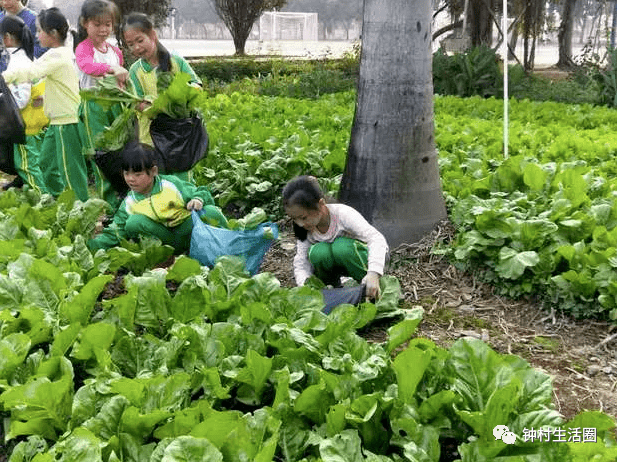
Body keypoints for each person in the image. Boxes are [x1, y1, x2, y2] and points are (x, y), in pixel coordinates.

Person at [2, 7, 89, 202]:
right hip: (55, 121)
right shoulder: (59, 54)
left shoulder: (57, 55)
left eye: (40, 30)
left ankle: (82, 208)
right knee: (46, 164)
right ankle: (60, 200)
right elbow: (61, 83)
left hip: (67, 121)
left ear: (53, 34)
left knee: (70, 170)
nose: (36, 35)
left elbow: (30, 73)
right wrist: (46, 98)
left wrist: (4, 77)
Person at [88, 141, 227, 254]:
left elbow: (201, 192)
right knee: (132, 223)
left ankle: (227, 242)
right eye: (126, 173)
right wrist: (91, 246)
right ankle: (164, 257)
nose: (130, 179)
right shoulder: (129, 202)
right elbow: (116, 230)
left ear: (153, 171)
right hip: (163, 241)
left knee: (210, 211)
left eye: (137, 174)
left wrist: (197, 200)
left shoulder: (170, 184)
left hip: (188, 232)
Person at [121, 11, 202, 182]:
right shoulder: (136, 71)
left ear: (153, 35)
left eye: (140, 40)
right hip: (151, 137)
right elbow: (136, 102)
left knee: (182, 180)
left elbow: (196, 85)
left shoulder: (176, 61)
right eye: (130, 44)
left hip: (180, 134)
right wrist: (155, 108)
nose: (136, 48)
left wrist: (184, 93)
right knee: (158, 180)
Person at [282, 175, 389, 300]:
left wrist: (373, 273)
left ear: (321, 204)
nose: (300, 224)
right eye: (295, 219)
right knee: (318, 252)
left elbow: (376, 239)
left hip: (367, 263)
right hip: (338, 274)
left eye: (304, 217)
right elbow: (301, 263)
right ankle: (335, 291)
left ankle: (369, 289)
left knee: (341, 248)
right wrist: (305, 286)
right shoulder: (305, 229)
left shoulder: (342, 214)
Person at [74, 0, 127, 208]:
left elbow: (121, 80)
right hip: (94, 107)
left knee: (119, 153)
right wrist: (112, 69)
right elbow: (88, 67)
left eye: (108, 24)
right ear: (84, 23)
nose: (103, 29)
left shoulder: (115, 51)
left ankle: (124, 197)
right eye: (97, 24)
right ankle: (110, 204)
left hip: (115, 106)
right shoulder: (83, 48)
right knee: (100, 155)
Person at [0, 14, 47, 193]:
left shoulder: (18, 62)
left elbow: (21, 99)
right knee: (33, 164)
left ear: (7, 37)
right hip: (33, 123)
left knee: (27, 166)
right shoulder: (26, 57)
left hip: (25, 126)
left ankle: (43, 200)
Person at [0, 0, 46, 72]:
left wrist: (22, 57)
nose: (5, 3)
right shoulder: (0, 18)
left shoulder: (34, 19)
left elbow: (43, 48)